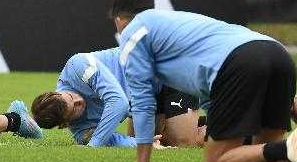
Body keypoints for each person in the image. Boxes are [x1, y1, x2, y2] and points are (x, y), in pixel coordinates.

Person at [112, 0, 297, 162]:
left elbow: (142, 103)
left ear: (119, 20)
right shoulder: (177, 21)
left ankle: (292, 145)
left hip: (241, 62)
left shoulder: (133, 32)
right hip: (279, 54)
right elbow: (209, 89)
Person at [30, 47, 204, 148]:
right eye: (74, 109)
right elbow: (115, 140)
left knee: (183, 142)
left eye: (70, 96)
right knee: (159, 144)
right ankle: (192, 120)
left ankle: (224, 126)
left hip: (169, 70)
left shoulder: (78, 67)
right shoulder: (81, 132)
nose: (78, 101)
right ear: (65, 124)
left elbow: (118, 103)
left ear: (58, 92)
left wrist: (95, 144)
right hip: (145, 100)